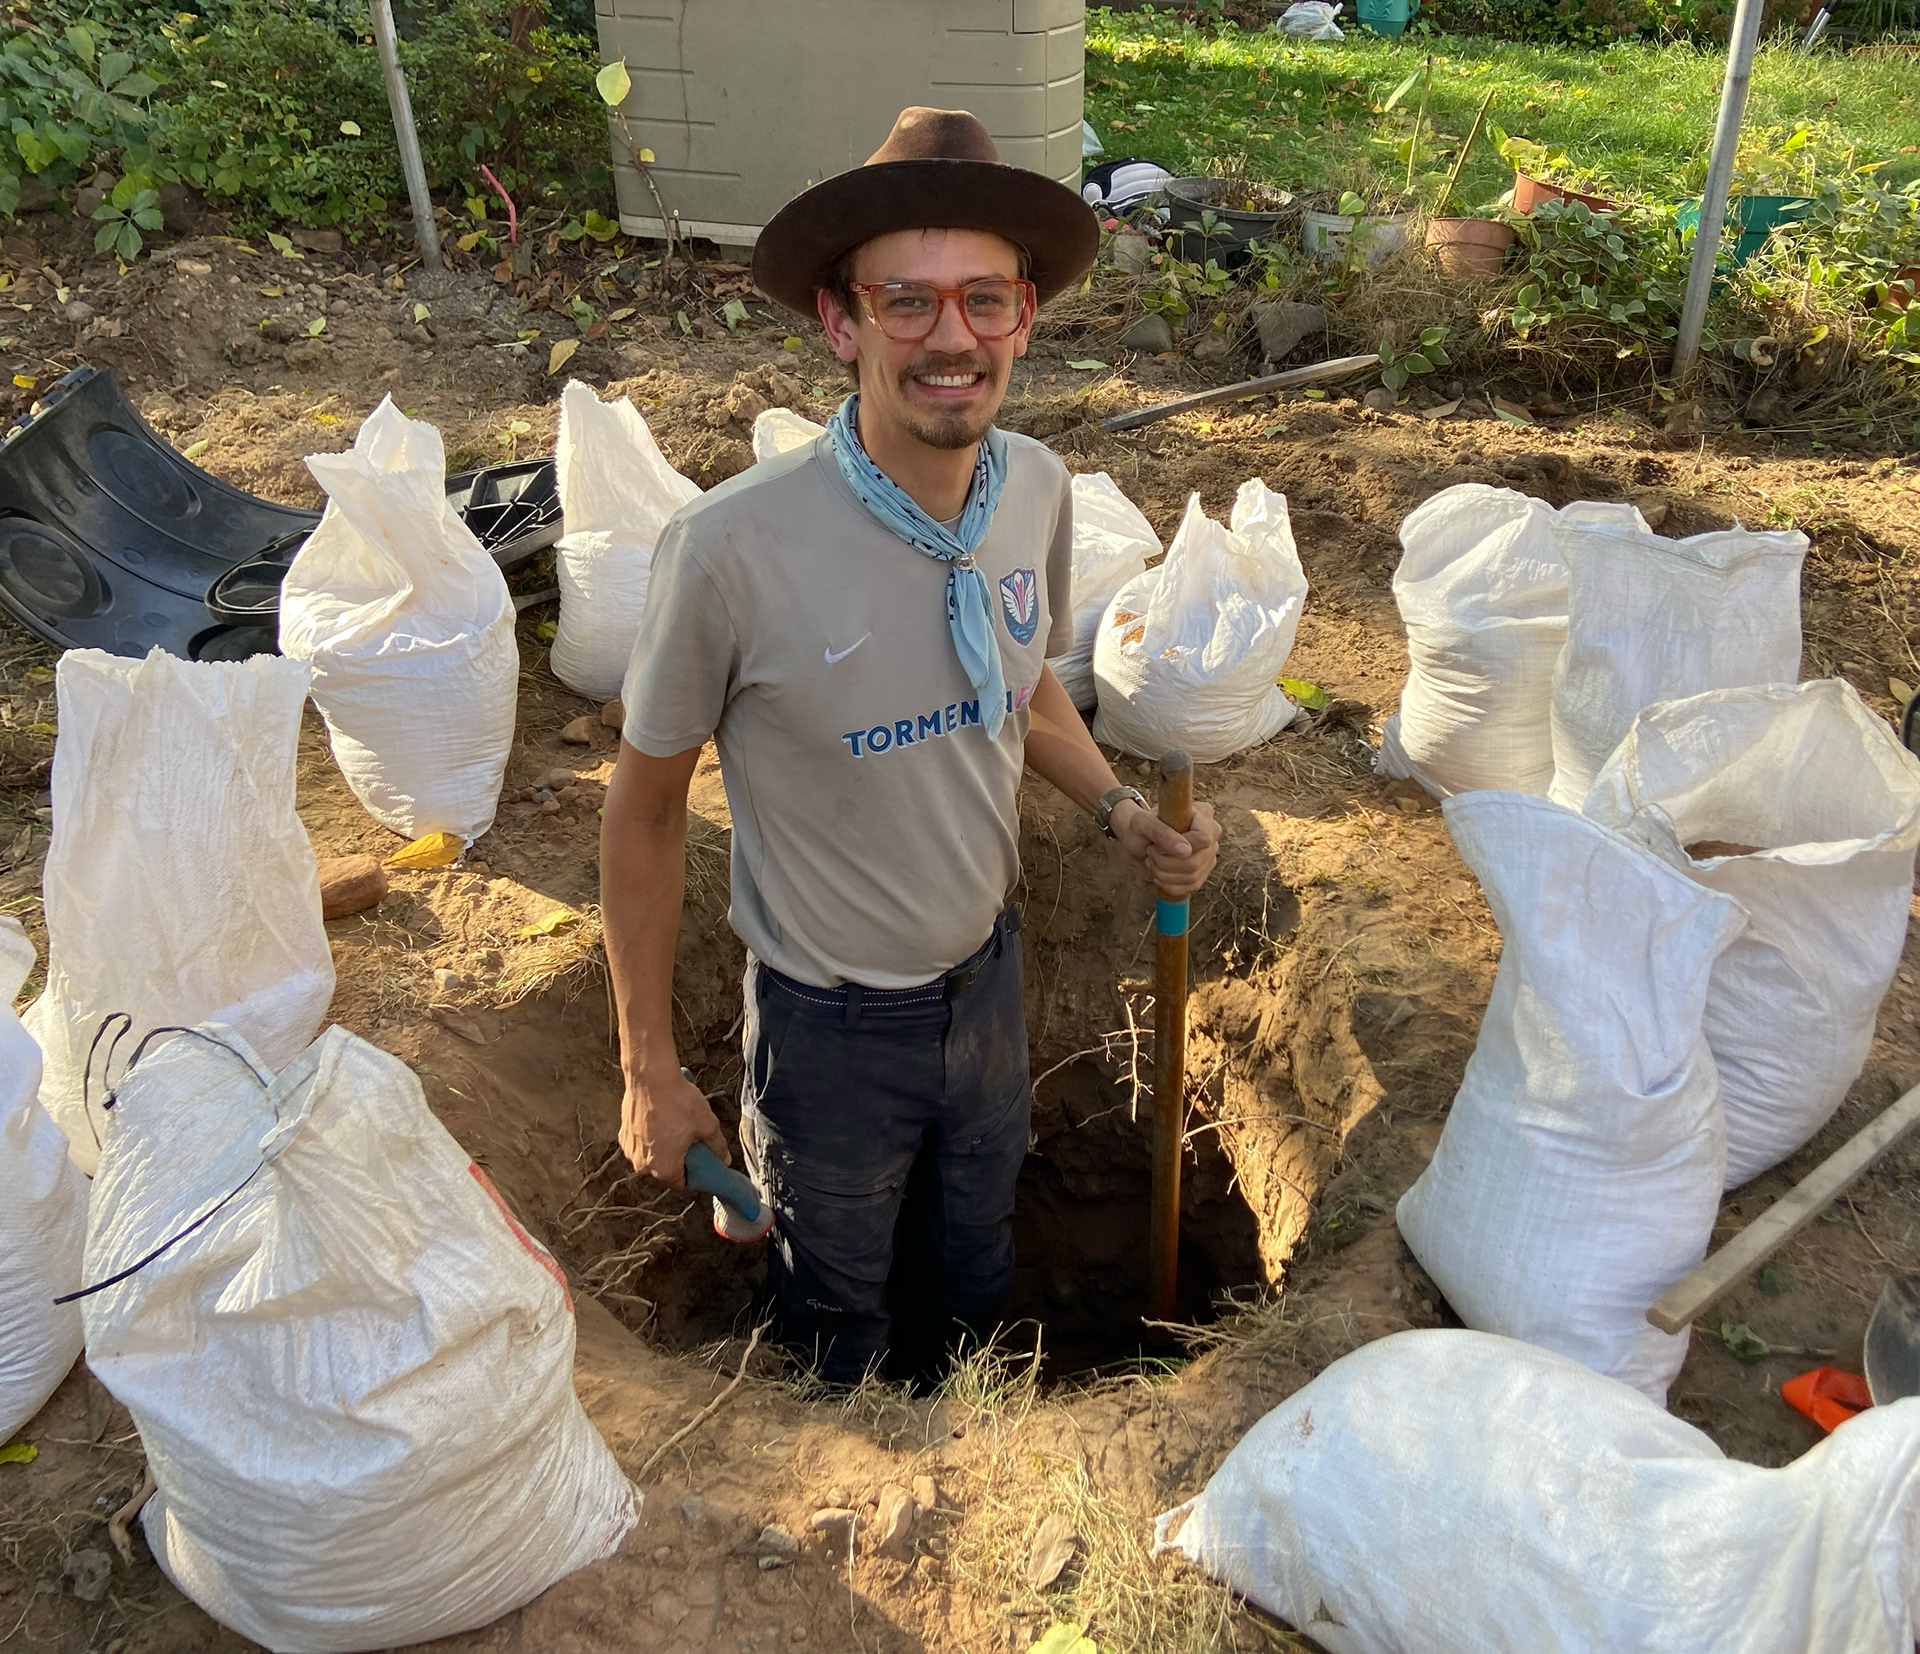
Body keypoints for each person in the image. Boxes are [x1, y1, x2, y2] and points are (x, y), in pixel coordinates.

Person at [601, 106, 1220, 1388]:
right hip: (828, 1031)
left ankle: (973, 1440)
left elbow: (1021, 686)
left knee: (979, 1266)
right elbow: (645, 810)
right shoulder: (730, 551)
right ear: (842, 322)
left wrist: (1121, 815)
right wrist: (648, 1068)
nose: (953, 337)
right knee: (836, 1308)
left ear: (1026, 315)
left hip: (986, 987)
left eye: (984, 299)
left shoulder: (1035, 489)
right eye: (908, 301)